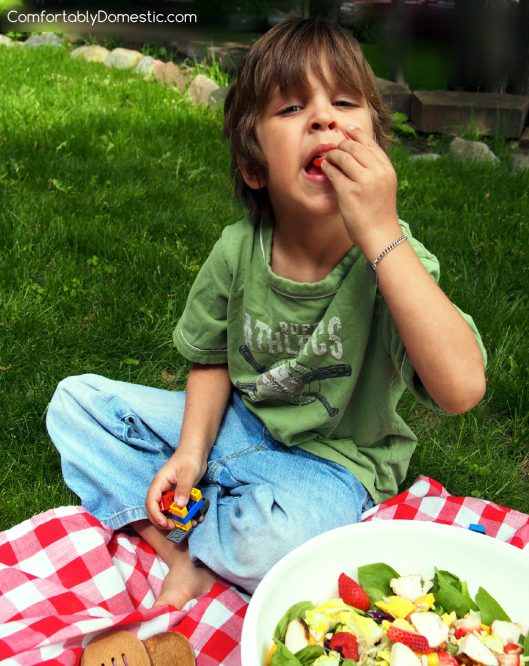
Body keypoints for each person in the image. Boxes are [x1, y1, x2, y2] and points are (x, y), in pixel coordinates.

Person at [46, 18, 487, 610]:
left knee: (280, 543)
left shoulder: (393, 260)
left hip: (332, 469)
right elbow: (210, 358)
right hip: (237, 428)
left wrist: (382, 234)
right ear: (256, 168)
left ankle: (209, 536)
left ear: (376, 150)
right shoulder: (236, 250)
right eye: (292, 108)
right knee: (75, 403)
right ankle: (183, 552)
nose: (325, 118)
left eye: (345, 102)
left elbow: (461, 389)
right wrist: (191, 453)